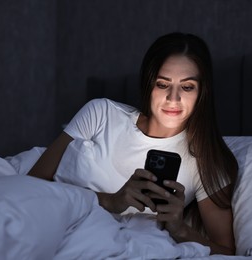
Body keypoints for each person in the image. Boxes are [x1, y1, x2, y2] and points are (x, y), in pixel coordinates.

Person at [28, 32, 238, 255]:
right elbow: (32, 184)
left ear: (202, 93)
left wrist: (180, 229)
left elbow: (226, 252)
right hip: (53, 227)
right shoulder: (101, 113)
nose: (173, 98)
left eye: (187, 87)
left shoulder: (206, 159)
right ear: (149, 85)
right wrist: (111, 201)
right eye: (163, 84)